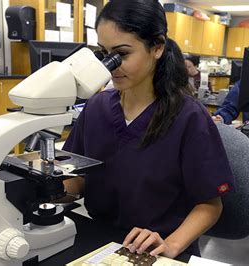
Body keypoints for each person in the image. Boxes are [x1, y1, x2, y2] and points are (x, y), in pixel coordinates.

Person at [62, 0, 235, 260]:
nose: (110, 65)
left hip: (160, 250)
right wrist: (51, 192)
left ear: (157, 47)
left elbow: (210, 204)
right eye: (103, 53)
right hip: (100, 241)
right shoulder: (96, 108)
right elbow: (80, 176)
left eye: (121, 54)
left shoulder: (189, 117)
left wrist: (171, 244)